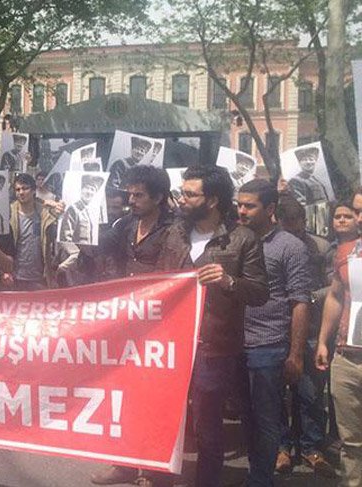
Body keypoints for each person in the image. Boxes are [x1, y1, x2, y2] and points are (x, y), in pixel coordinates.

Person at [156, 164, 268, 487]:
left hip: (213, 347)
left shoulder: (243, 240)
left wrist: (229, 280)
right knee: (166, 418)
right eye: (182, 192)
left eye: (190, 194)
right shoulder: (174, 234)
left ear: (213, 200)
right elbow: (160, 282)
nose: (182, 199)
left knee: (207, 426)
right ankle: (157, 475)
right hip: (172, 343)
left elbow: (260, 293)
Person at [90, 165, 174, 486]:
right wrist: (80, 222)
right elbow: (98, 247)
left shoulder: (174, 230)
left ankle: (151, 469)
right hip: (128, 323)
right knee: (123, 395)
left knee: (155, 399)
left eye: (139, 195)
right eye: (130, 194)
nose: (132, 200)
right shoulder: (126, 224)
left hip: (161, 325)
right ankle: (123, 464)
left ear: (159, 197)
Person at [236, 179, 313, 487]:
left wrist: (294, 354)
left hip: (268, 346)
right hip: (235, 344)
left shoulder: (290, 247)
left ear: (269, 209)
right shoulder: (233, 241)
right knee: (246, 418)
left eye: (249, 205)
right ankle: (256, 473)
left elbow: (299, 302)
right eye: (239, 204)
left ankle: (260, 481)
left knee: (266, 420)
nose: (241, 211)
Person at [274, 196, 336, 476]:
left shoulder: (320, 247)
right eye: (286, 221)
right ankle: (282, 448)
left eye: (296, 221)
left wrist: (311, 297)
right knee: (276, 395)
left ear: (303, 220)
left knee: (310, 394)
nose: (292, 226)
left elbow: (336, 286)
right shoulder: (269, 245)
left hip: (311, 330)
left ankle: (312, 447)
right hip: (277, 330)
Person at [315, 188, 362, 486]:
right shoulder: (346, 252)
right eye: (357, 211)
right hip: (347, 357)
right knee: (351, 440)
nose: (358, 217)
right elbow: (335, 296)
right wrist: (323, 341)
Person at [8, 173, 59, 290]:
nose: (21, 192)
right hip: (15, 278)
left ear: (34, 190)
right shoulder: (8, 213)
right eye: (17, 189)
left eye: (25, 188)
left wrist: (58, 209)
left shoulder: (45, 214)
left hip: (40, 278)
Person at [60, 174, 104, 245]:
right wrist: (74, 253)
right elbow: (65, 237)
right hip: (76, 253)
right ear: (81, 190)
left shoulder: (94, 212)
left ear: (95, 193)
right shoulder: (73, 209)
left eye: (92, 189)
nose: (89, 192)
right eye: (86, 188)